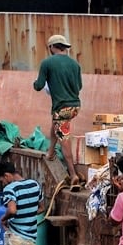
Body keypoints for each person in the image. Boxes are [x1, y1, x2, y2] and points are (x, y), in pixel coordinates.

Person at [33, 33, 82, 185]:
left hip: (61, 107)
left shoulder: (47, 63)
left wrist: (36, 83)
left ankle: (73, 174)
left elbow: (39, 85)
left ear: (52, 47)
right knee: (55, 125)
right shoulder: (75, 64)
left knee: (64, 139)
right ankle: (50, 152)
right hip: (75, 106)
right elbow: (79, 86)